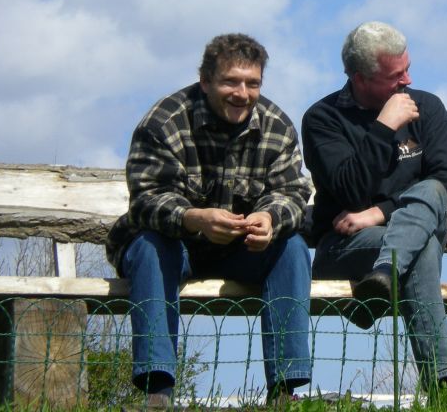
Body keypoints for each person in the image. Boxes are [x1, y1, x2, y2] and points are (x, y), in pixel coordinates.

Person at [106, 33, 312, 408]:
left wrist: (269, 218)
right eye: (230, 82)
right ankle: (157, 391)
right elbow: (145, 199)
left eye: (252, 83)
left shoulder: (277, 126)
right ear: (205, 81)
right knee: (149, 246)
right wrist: (194, 218)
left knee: (293, 247)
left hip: (241, 251)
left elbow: (294, 193)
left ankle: (286, 391)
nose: (242, 93)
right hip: (174, 246)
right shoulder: (164, 121)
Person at [301, 21, 447, 390]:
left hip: (399, 235)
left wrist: (379, 213)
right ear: (359, 78)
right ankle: (443, 389)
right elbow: (349, 191)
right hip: (345, 247)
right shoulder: (322, 118)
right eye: (395, 76)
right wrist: (384, 127)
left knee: (432, 191)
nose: (407, 80)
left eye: (408, 68)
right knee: (419, 247)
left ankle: (383, 277)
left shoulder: (428, 106)